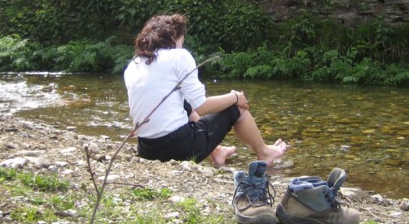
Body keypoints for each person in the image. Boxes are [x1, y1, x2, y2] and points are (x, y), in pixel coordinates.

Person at [124, 13, 289, 166]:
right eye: (182, 39)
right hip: (178, 149)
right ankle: (264, 152)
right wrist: (234, 97)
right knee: (237, 108)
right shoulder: (178, 56)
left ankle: (217, 151)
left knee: (185, 104)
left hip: (147, 149)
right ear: (174, 38)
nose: (182, 44)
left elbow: (187, 107)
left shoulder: (134, 64)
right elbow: (202, 107)